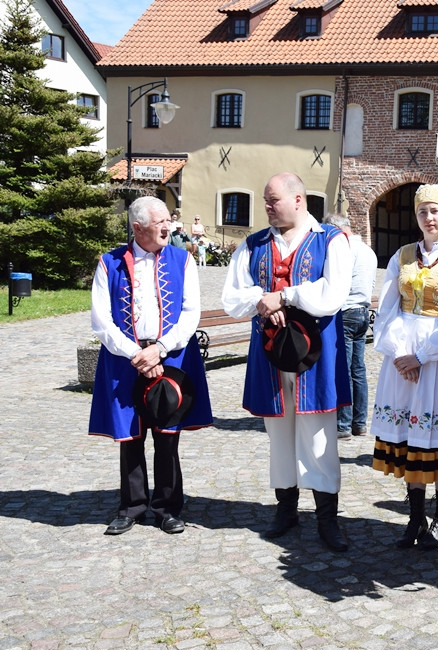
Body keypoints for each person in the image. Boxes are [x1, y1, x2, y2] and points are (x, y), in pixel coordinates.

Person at [221, 172, 354, 552]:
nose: (266, 207)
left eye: (272, 200)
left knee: (318, 436)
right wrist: (265, 301)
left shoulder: (331, 240)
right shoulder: (253, 244)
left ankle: (328, 518)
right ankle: (286, 508)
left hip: (316, 355)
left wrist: (287, 297)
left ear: (298, 200)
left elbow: (333, 294)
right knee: (279, 433)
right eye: (265, 200)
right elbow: (233, 298)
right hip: (271, 352)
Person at [89, 196, 213, 536]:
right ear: (137, 228)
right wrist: (135, 354)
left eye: (168, 220)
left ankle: (168, 507)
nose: (168, 226)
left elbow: (190, 313)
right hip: (125, 360)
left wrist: (159, 349)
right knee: (130, 436)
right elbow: (101, 321)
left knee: (167, 434)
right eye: (160, 221)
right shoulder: (109, 263)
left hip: (169, 357)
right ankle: (132, 506)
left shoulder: (182, 259)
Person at [370, 184, 438, 551]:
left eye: (435, 211)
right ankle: (415, 516)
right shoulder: (401, 255)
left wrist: (423, 355)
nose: (429, 218)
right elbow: (386, 308)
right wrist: (401, 353)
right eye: (422, 212)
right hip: (401, 358)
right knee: (409, 438)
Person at [325, 213, 377, 439]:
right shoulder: (368, 250)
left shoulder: (345, 248)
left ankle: (343, 424)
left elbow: (339, 280)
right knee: (358, 370)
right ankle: (359, 423)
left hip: (346, 311)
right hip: (363, 311)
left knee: (344, 370)